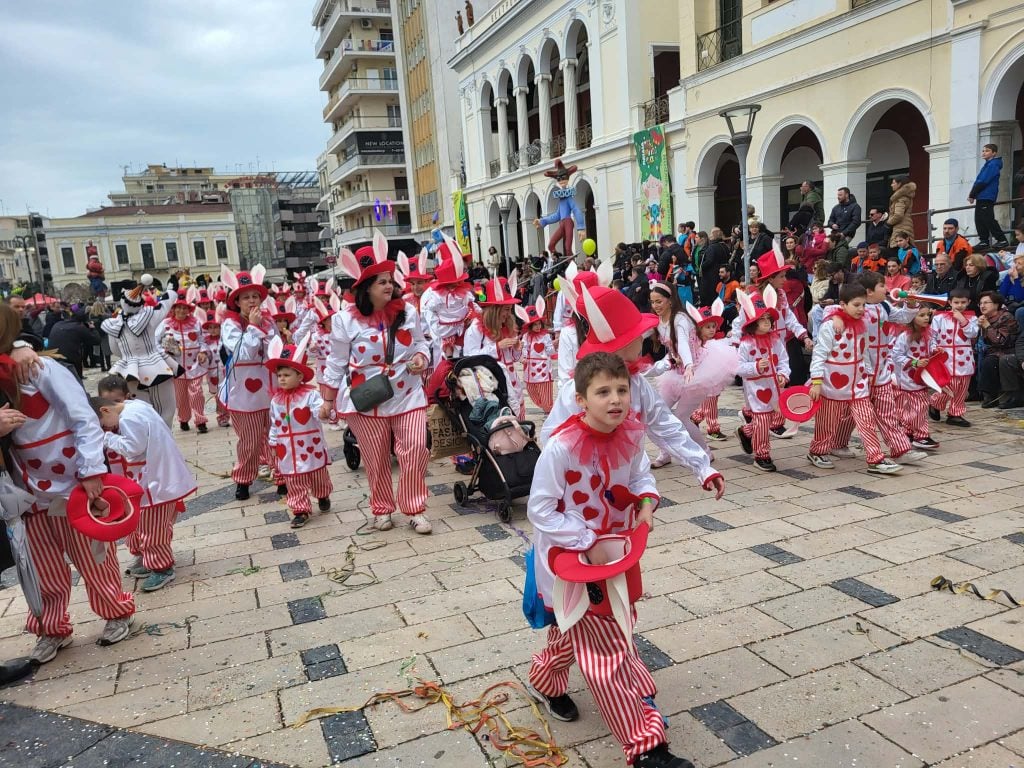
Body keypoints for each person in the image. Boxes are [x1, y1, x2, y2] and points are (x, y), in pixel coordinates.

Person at [525, 352, 695, 768]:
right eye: (603, 392)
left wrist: (647, 502)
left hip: (615, 555)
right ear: (581, 399)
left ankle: (544, 679)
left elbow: (639, 475)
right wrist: (585, 538)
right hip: (573, 563)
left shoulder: (629, 435)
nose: (615, 400)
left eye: (621, 390)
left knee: (584, 628)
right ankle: (645, 747)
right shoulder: (560, 448)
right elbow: (540, 510)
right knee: (607, 651)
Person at [0, 305, 135, 662]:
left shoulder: (40, 368)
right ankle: (50, 627)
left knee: (91, 555)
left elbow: (83, 417)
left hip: (69, 481)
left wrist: (91, 470)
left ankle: (116, 610)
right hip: (25, 490)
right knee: (41, 564)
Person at [541, 285, 725, 499]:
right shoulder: (578, 389)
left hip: (626, 484)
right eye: (638, 336)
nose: (642, 341)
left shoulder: (637, 384)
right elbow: (552, 438)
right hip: (582, 490)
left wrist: (703, 467)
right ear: (622, 344)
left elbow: (666, 426)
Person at [322, 237, 432, 534]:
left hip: (408, 393)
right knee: (376, 458)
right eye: (380, 281)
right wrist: (328, 400)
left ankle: (414, 507)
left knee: (415, 449)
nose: (387, 285)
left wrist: (421, 358)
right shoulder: (345, 320)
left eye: (389, 279)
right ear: (365, 287)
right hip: (367, 399)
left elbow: (422, 344)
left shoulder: (408, 312)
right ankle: (382, 508)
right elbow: (336, 362)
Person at [91, 394, 196, 591]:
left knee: (151, 528)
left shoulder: (129, 417)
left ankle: (162, 568)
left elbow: (133, 447)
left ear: (105, 410)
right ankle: (149, 558)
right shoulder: (135, 406)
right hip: (151, 479)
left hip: (154, 482)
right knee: (145, 523)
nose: (107, 428)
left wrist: (108, 438)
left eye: (103, 424)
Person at [821, 271, 927, 466]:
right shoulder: (857, 308)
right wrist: (834, 317)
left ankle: (900, 449)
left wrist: (911, 304)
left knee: (888, 412)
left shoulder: (885, 306)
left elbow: (903, 317)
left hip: (882, 371)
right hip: (859, 373)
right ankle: (837, 443)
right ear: (869, 292)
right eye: (882, 286)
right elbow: (832, 310)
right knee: (851, 413)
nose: (887, 289)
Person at [806, 283, 903, 474]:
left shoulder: (863, 325)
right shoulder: (830, 326)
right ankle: (817, 451)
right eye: (856, 305)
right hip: (831, 385)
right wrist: (816, 382)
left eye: (863, 305)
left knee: (866, 421)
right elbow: (819, 355)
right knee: (827, 422)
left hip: (858, 385)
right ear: (843, 305)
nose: (861, 309)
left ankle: (876, 459)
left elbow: (864, 351)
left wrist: (867, 372)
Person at [219, 265, 277, 501]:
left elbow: (274, 350)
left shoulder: (269, 322)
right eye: (246, 297)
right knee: (250, 440)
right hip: (243, 391)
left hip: (270, 387)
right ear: (237, 302)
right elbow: (243, 353)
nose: (252, 301)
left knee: (276, 435)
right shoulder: (230, 325)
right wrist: (253, 327)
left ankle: (282, 476)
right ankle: (243, 479)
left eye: (255, 296)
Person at [266, 336, 333, 528]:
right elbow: (275, 423)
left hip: (310, 446)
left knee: (317, 475)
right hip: (287, 449)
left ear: (300, 376)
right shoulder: (276, 401)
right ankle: (300, 509)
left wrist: (322, 411)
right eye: (280, 376)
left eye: (287, 375)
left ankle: (322, 494)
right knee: (294, 480)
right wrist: (272, 443)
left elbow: (318, 410)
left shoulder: (310, 395)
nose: (282, 379)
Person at [101, 276, 178, 426]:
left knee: (141, 409)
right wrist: (171, 289)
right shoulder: (150, 316)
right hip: (157, 366)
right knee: (165, 408)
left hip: (130, 371)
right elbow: (165, 304)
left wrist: (129, 357)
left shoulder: (114, 324)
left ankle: (147, 439)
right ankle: (163, 438)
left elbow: (114, 350)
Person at [734, 288, 789, 472]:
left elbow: (783, 360)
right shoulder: (746, 345)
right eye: (762, 319)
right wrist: (756, 367)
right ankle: (762, 455)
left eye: (768, 319)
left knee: (771, 418)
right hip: (756, 388)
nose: (766, 323)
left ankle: (747, 431)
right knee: (763, 419)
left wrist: (783, 374)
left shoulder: (775, 341)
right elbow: (739, 368)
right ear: (753, 323)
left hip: (774, 387)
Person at [465, 277, 526, 420]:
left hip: (513, 385)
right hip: (493, 388)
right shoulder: (476, 328)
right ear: (495, 309)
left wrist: (517, 348)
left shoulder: (507, 325)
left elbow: (514, 358)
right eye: (505, 309)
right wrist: (496, 347)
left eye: (509, 309)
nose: (508, 314)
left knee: (520, 426)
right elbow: (469, 357)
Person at [156, 292, 209, 433]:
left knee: (197, 394)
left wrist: (203, 352)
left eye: (184, 308)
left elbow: (203, 340)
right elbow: (155, 342)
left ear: (189, 309)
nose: (181, 310)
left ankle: (200, 421)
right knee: (181, 397)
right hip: (175, 367)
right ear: (173, 308)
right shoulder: (165, 324)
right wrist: (164, 352)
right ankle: (184, 418)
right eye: (178, 307)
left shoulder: (196, 323)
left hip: (195, 365)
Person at [928, 288, 979, 427]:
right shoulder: (940, 318)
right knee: (948, 386)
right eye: (956, 302)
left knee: (962, 388)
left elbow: (973, 334)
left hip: (965, 359)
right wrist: (933, 348)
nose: (960, 305)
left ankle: (955, 414)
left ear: (968, 302)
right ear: (950, 302)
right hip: (946, 357)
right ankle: (935, 403)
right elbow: (931, 335)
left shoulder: (972, 318)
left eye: (963, 302)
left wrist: (963, 320)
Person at [892, 305, 940, 450]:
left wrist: (936, 350)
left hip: (923, 375)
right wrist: (914, 362)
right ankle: (921, 435)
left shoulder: (929, 333)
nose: (926, 318)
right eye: (921, 315)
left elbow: (932, 345)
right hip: (909, 376)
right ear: (912, 318)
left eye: (927, 315)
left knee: (913, 406)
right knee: (920, 406)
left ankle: (908, 431)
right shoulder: (904, 336)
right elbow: (896, 355)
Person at [420, 240, 477, 359]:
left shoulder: (465, 290)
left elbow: (475, 308)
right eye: (460, 264)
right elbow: (431, 330)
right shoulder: (431, 296)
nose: (465, 268)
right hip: (444, 353)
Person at [688, 300, 733, 442]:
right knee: (710, 402)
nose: (712, 330)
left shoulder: (717, 342)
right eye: (707, 327)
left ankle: (694, 419)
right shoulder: (697, 345)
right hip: (704, 380)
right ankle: (713, 429)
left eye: (713, 326)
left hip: (715, 380)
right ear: (699, 328)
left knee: (710, 402)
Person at [975, 291, 1019, 408]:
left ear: (996, 304)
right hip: (990, 351)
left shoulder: (1006, 317)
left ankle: (990, 396)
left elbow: (1003, 341)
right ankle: (976, 393)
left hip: (1008, 350)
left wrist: (987, 327)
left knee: (990, 361)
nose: (982, 306)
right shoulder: (984, 318)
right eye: (980, 303)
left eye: (986, 303)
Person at [518, 298, 555, 413]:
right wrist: (523, 357)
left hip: (543, 367)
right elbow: (524, 348)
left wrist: (551, 347)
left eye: (539, 324)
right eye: (535, 325)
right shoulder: (526, 337)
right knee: (531, 390)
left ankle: (548, 409)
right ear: (529, 326)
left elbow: (550, 351)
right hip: (531, 368)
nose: (538, 327)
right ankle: (544, 406)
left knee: (545, 391)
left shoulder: (546, 336)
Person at [969, 143, 1010, 248]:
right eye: (983, 151)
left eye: (987, 151)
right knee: (979, 218)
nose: (983, 153)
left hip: (987, 195)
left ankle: (1001, 239)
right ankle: (984, 241)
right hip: (982, 196)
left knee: (987, 218)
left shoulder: (993, 164)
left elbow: (983, 181)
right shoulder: (988, 164)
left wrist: (972, 194)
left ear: (994, 153)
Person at [47, 309, 101, 379]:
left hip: (53, 359)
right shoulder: (79, 327)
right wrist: (92, 328)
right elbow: (97, 340)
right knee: (75, 381)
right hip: (70, 361)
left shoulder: (57, 324)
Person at [887, 175, 916, 248]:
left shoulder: (900, 198)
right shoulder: (905, 196)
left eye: (893, 183)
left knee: (897, 250)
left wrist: (888, 223)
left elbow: (898, 215)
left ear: (899, 184)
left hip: (900, 227)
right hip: (905, 226)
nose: (891, 185)